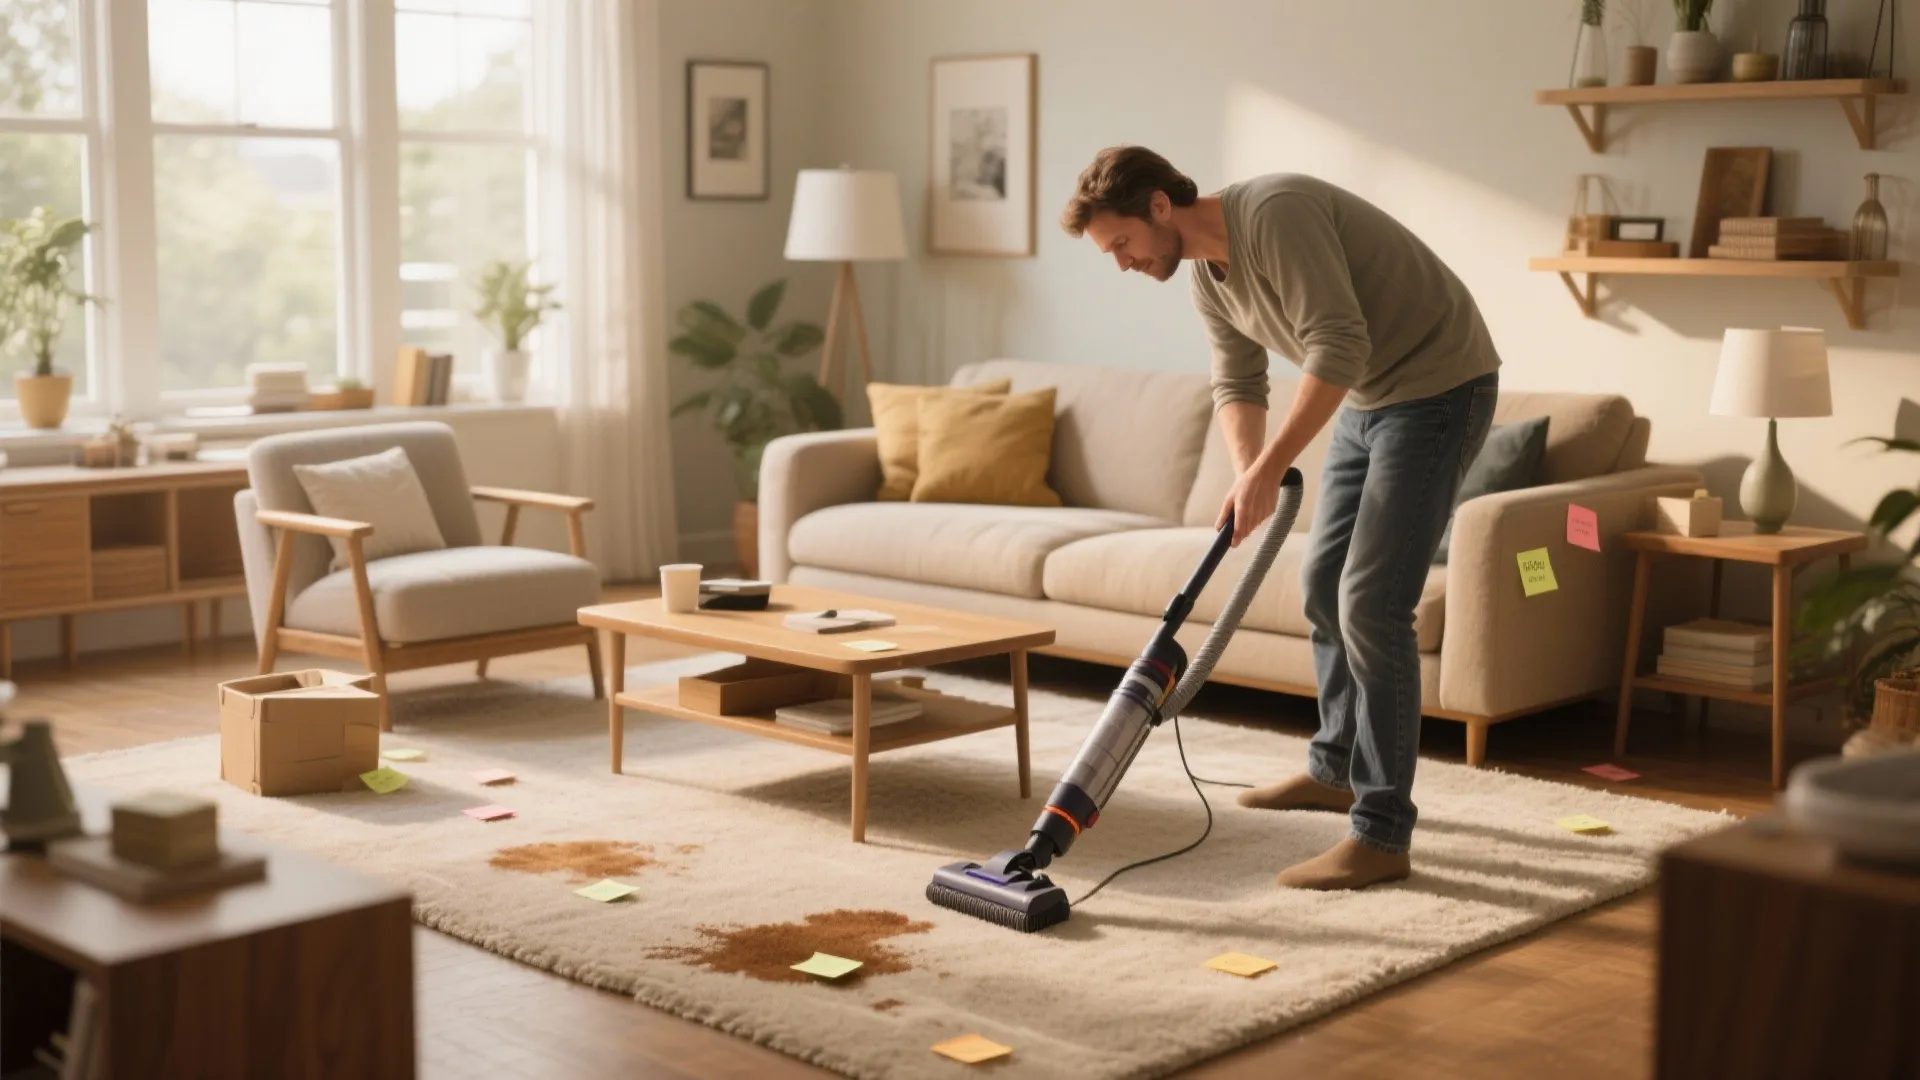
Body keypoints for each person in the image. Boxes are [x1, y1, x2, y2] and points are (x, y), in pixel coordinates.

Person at [1060, 146, 1502, 891]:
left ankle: (1383, 832)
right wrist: (1246, 472)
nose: (1124, 264)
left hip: (1438, 386)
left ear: (1159, 208)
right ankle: (1334, 769)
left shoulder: (1275, 213)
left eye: (1123, 245)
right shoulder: (1205, 277)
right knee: (1322, 580)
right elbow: (1237, 378)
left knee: (1373, 602)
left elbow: (1339, 341)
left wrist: (1272, 469)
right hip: (1370, 401)